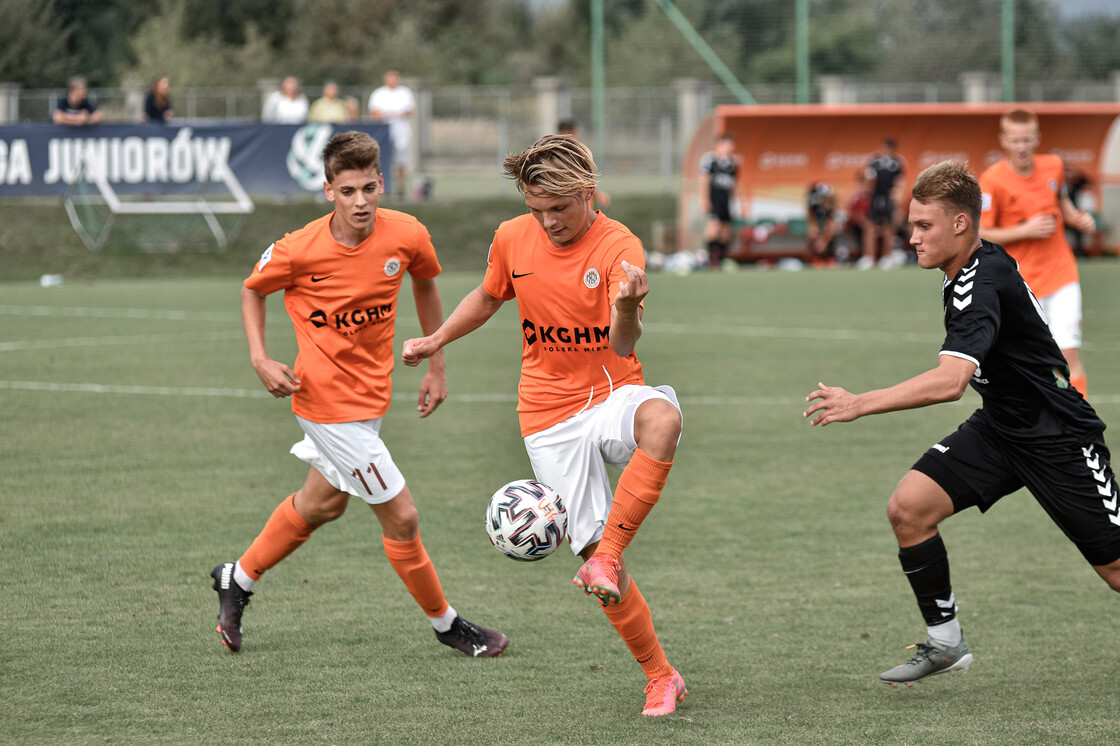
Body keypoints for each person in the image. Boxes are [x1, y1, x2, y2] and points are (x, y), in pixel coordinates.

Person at [401, 134, 688, 716]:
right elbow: (487, 297)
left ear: (586, 192)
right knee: (597, 566)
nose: (548, 221)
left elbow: (623, 340)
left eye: (559, 208)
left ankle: (608, 551)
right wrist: (436, 340)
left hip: (612, 393)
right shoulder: (512, 238)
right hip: (547, 416)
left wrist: (629, 306)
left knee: (663, 418)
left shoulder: (618, 245)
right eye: (537, 210)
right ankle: (661, 675)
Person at [804, 160, 1118, 688]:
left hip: (1057, 435)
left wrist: (860, 402)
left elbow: (950, 382)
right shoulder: (972, 268)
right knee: (909, 508)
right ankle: (947, 644)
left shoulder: (980, 282)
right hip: (1001, 426)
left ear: (961, 225)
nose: (912, 237)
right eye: (911, 224)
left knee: (1114, 570)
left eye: (924, 226)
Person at [209, 131, 507, 660]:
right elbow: (252, 289)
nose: (361, 201)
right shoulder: (298, 249)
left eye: (369, 188)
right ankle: (448, 625)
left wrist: (437, 362)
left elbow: (426, 283)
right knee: (403, 517)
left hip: (370, 402)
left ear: (382, 183)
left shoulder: (406, 234)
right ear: (328, 191)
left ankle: (238, 577)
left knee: (321, 504)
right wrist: (259, 357)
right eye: (347, 191)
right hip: (325, 406)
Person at [979, 108, 1097, 397]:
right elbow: (981, 232)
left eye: (1027, 140)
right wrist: (1024, 230)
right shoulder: (991, 180)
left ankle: (1081, 431)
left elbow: (1062, 202)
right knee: (1027, 361)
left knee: (1068, 355)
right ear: (1004, 140)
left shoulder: (1054, 165)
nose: (1022, 147)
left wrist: (1078, 218)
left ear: (1037, 138)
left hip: (1061, 275)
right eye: (1016, 141)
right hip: (1022, 284)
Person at [859, 137, 906, 269]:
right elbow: (868, 178)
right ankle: (869, 257)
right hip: (875, 197)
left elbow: (899, 182)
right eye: (884, 147)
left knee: (888, 228)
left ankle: (887, 257)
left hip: (888, 198)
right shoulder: (874, 160)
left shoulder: (897, 163)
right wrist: (867, 191)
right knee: (870, 227)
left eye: (888, 147)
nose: (885, 150)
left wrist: (897, 200)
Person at [368, 70, 415, 198]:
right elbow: (373, 112)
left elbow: (411, 111)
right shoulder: (379, 93)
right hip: (384, 131)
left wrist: (400, 114)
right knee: (383, 159)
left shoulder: (405, 93)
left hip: (401, 131)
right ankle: (384, 187)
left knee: (400, 160)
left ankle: (401, 186)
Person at [698, 132, 741, 269]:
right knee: (713, 228)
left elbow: (734, 184)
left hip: (726, 200)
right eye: (727, 144)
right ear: (719, 145)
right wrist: (704, 199)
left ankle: (723, 260)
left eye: (731, 144)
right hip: (714, 199)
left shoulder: (733, 162)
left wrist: (736, 202)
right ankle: (712, 259)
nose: (730, 147)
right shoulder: (709, 160)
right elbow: (703, 180)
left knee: (725, 231)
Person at [557, 119, 611, 208]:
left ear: (576, 134)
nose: (567, 138)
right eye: (563, 134)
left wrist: (597, 194)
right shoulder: (554, 156)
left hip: (584, 206)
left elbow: (587, 181)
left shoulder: (584, 153)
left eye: (570, 134)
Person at [806, 181, 838, 267]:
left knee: (831, 229)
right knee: (813, 232)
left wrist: (824, 240)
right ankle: (816, 257)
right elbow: (812, 221)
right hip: (817, 226)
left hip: (825, 228)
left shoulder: (829, 207)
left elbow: (830, 221)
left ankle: (828, 256)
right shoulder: (813, 205)